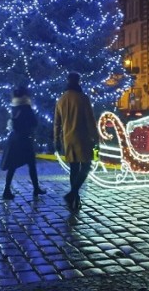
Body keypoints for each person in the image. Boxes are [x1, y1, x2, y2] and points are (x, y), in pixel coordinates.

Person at [53, 72, 99, 211]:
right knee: (86, 167)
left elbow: (56, 123)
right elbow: (90, 120)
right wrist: (96, 139)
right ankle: (72, 194)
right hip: (82, 138)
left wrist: (56, 140)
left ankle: (75, 199)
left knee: (74, 169)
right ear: (78, 82)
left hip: (67, 139)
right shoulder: (83, 98)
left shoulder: (61, 100)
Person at [0, 86, 47, 200]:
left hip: (14, 139)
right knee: (31, 164)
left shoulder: (14, 107)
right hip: (25, 140)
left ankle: (7, 189)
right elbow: (34, 122)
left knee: (12, 166)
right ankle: (36, 188)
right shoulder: (26, 107)